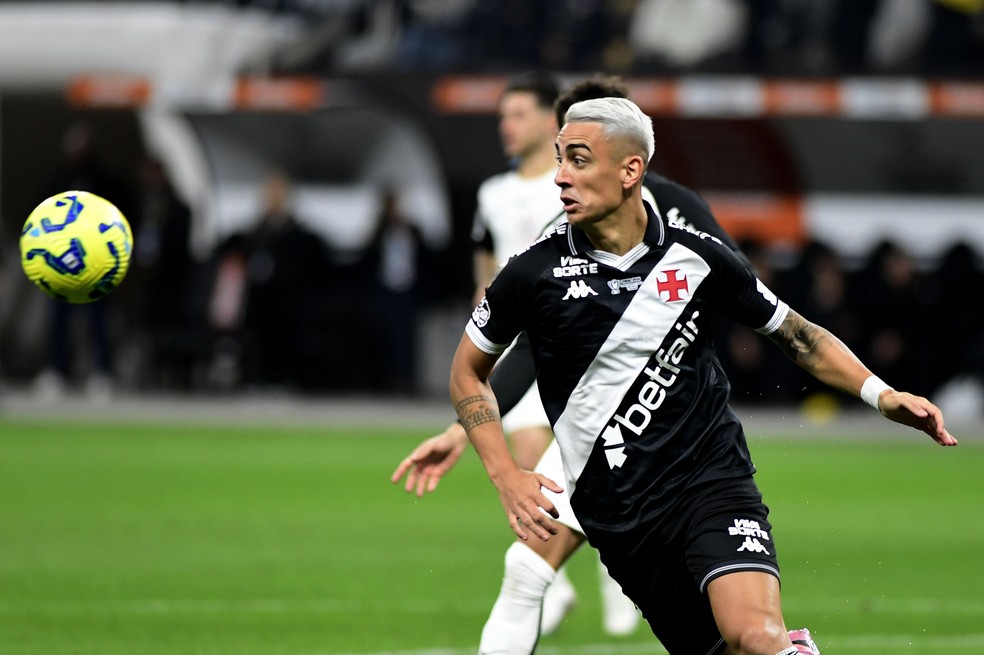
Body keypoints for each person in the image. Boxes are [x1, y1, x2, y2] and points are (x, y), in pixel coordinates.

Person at [448, 97, 956, 655]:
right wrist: (506, 475)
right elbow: (467, 373)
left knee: (755, 636)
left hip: (710, 482)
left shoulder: (698, 257)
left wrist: (882, 394)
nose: (561, 177)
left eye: (579, 160)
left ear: (630, 170)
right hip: (619, 516)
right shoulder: (532, 272)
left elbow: (799, 335)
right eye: (560, 159)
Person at [394, 74, 749, 653]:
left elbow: (742, 290)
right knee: (525, 568)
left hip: (675, 435)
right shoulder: (558, 239)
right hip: (591, 432)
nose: (566, 166)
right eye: (566, 148)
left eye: (581, 148)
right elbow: (527, 346)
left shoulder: (678, 212)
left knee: (734, 630)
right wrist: (463, 429)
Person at [468, 70, 628, 635]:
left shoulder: (575, 184)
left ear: (547, 119)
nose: (506, 126)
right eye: (502, 116)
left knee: (567, 469)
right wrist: (484, 328)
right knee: (541, 470)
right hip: (519, 346)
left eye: (517, 114)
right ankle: (555, 580)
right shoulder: (492, 194)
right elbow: (486, 268)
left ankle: (581, 577)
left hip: (578, 346)